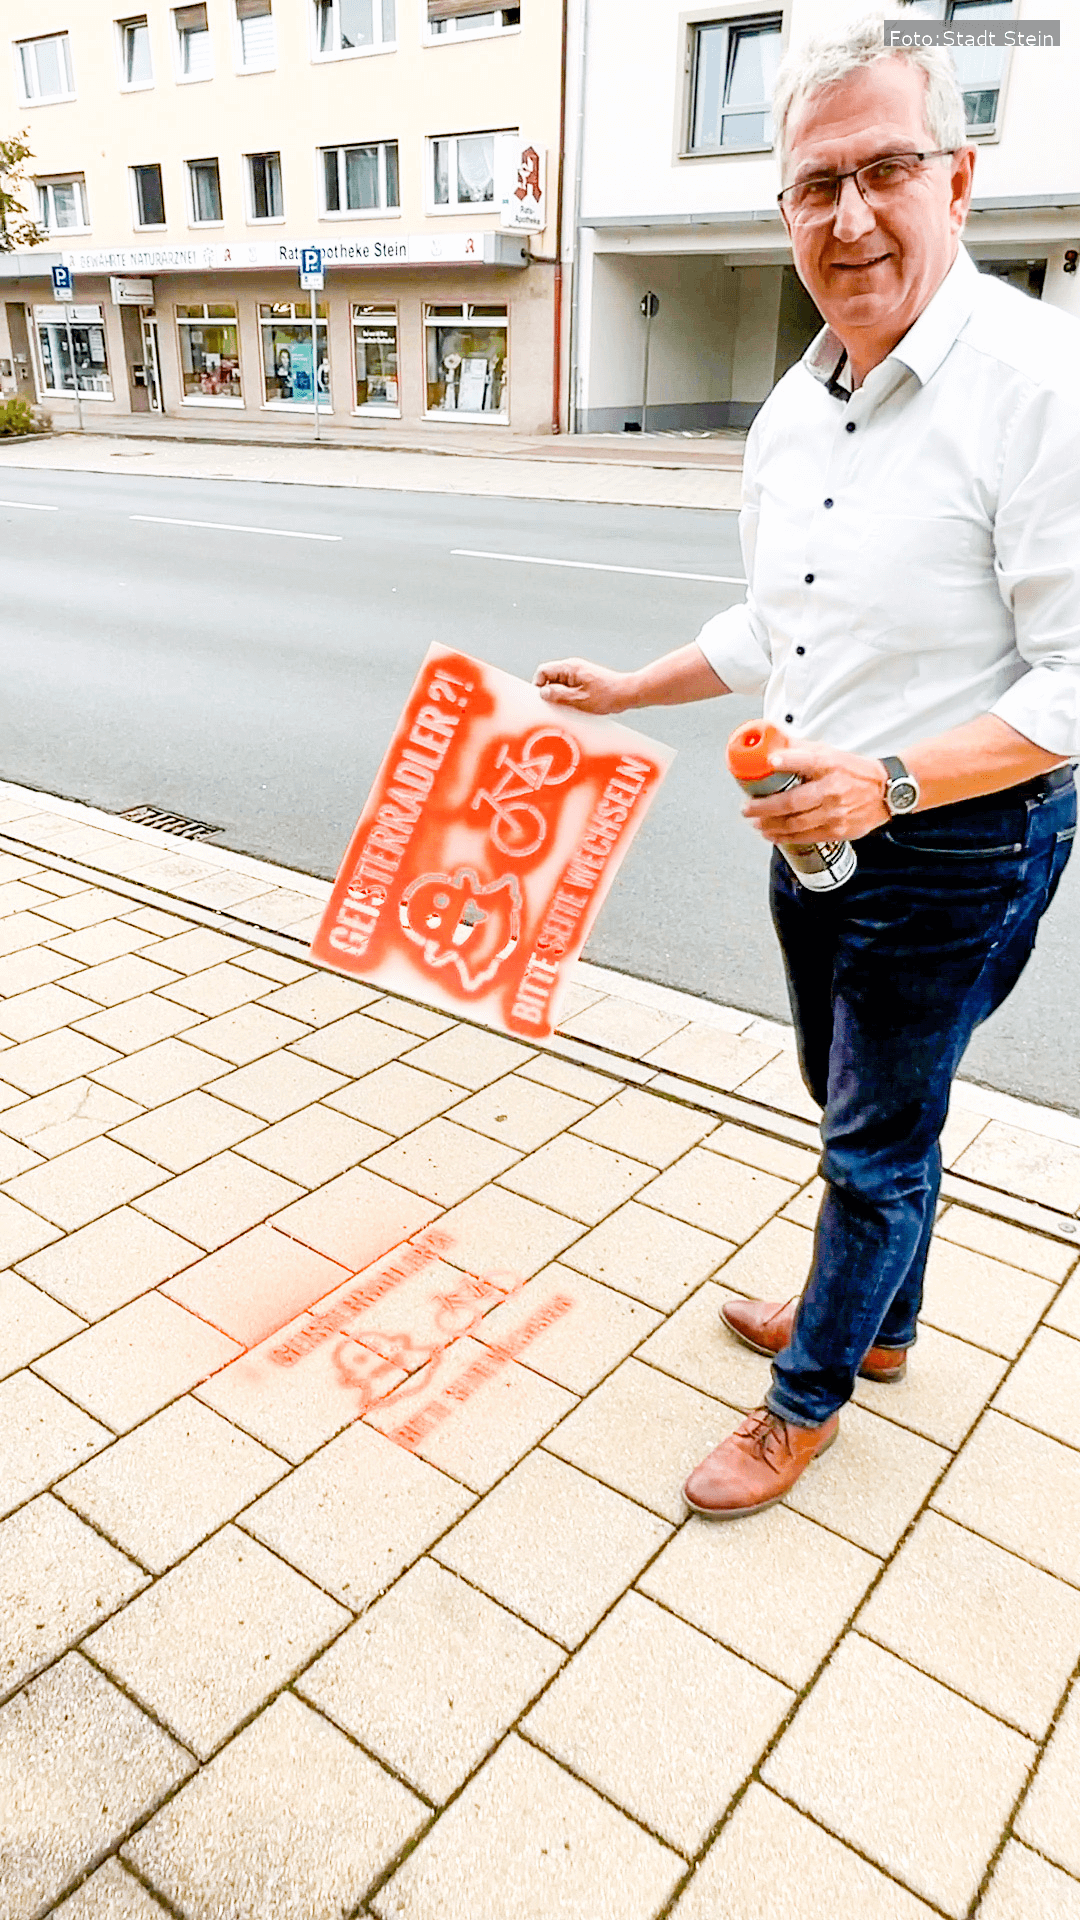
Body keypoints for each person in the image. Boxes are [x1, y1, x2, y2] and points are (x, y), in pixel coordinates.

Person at [535, 15, 1080, 1521]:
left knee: (875, 1133)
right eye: (813, 186)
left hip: (963, 840)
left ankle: (807, 1399)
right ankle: (882, 1317)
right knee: (853, 1105)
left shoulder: (1042, 384)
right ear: (782, 210)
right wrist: (638, 687)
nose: (848, 218)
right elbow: (784, 622)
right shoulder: (798, 405)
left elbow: (1077, 680)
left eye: (883, 171)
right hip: (810, 829)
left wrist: (893, 784)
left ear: (956, 178)